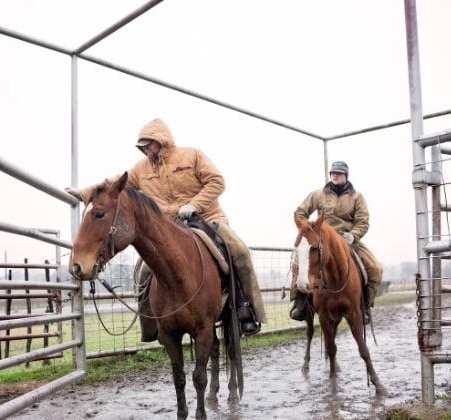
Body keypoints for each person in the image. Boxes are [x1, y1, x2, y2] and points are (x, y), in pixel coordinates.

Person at [74, 118, 267, 339]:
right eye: (142, 147)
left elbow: (217, 181)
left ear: (162, 141)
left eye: (149, 144)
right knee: (145, 272)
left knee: (239, 252)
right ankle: (152, 325)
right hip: (169, 227)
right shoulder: (140, 169)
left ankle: (247, 311)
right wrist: (82, 194)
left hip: (207, 217)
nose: (146, 150)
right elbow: (113, 185)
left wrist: (194, 205)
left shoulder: (192, 155)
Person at [290, 160, 383, 324]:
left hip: (347, 240)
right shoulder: (318, 194)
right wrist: (308, 230)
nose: (335, 176)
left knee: (375, 268)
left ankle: (364, 306)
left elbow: (363, 221)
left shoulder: (357, 197)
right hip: (322, 239)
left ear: (346, 175)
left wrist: (353, 235)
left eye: (339, 173)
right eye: (333, 173)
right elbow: (300, 212)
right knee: (298, 261)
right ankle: (301, 302)